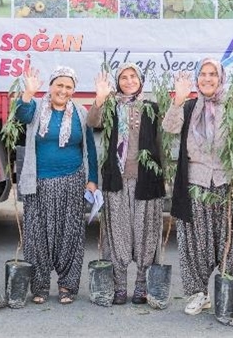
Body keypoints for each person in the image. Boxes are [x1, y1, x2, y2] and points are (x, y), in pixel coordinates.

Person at [162, 58, 233, 316]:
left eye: (213, 74)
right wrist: (178, 100)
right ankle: (198, 295)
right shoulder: (190, 107)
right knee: (194, 243)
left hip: (227, 184)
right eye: (202, 74)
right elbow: (169, 128)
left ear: (221, 77)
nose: (207, 79)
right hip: (194, 184)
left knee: (232, 242)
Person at [16, 65, 98, 305]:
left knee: (70, 236)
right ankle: (39, 286)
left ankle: (67, 286)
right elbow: (21, 114)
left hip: (72, 181)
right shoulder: (36, 109)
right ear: (50, 86)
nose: (63, 90)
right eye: (59, 85)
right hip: (39, 183)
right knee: (37, 236)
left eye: (68, 86)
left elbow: (90, 148)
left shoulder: (81, 113)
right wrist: (28, 93)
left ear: (73, 90)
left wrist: (92, 180)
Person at [87, 63, 165, 305]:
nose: (129, 81)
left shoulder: (151, 107)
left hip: (146, 182)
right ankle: (119, 286)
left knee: (145, 236)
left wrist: (163, 177)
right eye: (123, 77)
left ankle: (141, 286)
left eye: (133, 76)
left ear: (140, 80)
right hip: (117, 181)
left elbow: (163, 140)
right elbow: (92, 122)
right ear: (117, 82)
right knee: (118, 234)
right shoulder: (111, 106)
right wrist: (99, 100)